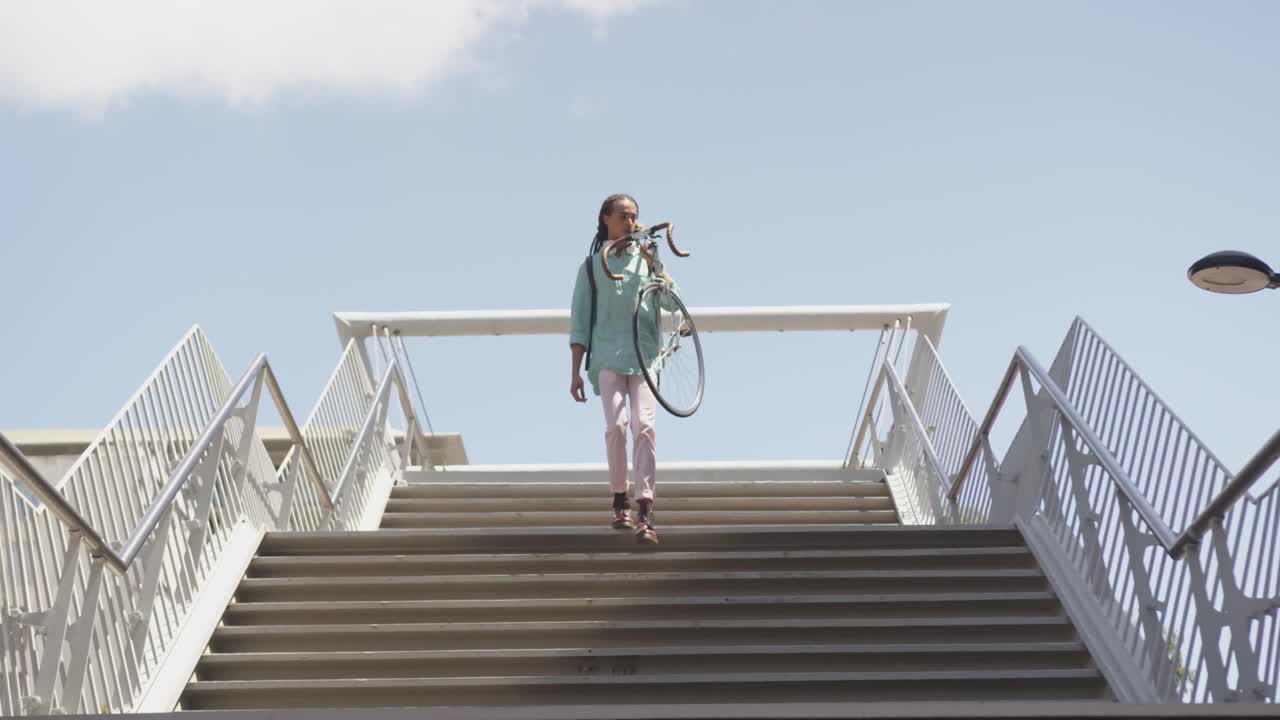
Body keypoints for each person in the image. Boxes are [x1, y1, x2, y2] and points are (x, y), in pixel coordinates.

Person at [568, 193, 677, 544]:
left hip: (645, 356)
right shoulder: (590, 268)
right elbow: (579, 324)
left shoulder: (647, 261)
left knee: (644, 426)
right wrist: (574, 372)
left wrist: (656, 267)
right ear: (606, 220)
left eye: (634, 217)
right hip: (606, 356)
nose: (629, 223)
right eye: (622, 217)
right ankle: (620, 498)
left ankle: (646, 507)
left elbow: (671, 300)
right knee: (616, 425)